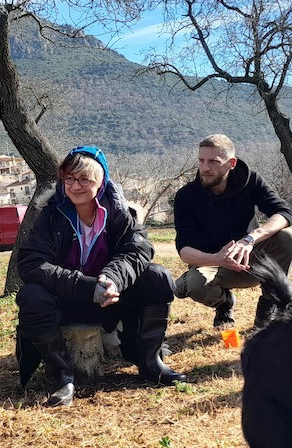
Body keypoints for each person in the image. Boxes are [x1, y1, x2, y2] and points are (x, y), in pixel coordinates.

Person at [15, 146, 185, 407]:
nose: (75, 186)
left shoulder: (119, 212)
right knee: (31, 295)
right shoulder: (50, 214)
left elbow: (139, 249)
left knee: (158, 277)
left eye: (84, 179)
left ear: (101, 181)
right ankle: (62, 376)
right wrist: (87, 287)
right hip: (65, 302)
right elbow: (31, 263)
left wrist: (111, 278)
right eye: (69, 179)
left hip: (111, 300)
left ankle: (150, 362)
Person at [172, 134, 292, 328]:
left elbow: (284, 213)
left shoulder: (251, 181)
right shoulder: (186, 196)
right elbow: (184, 251)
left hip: (251, 261)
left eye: (213, 161)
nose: (205, 168)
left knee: (287, 237)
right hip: (213, 264)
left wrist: (250, 239)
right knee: (196, 286)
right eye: (202, 160)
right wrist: (217, 259)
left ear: (231, 163)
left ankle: (268, 307)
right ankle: (224, 303)